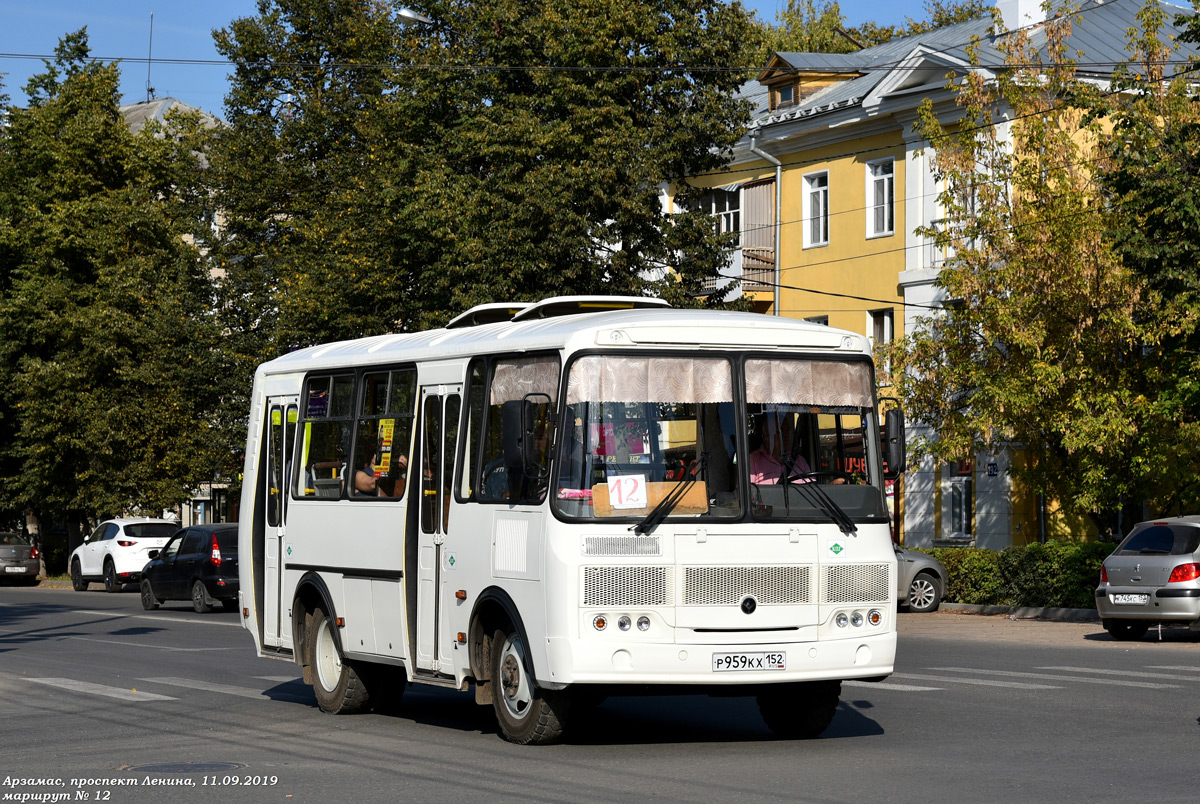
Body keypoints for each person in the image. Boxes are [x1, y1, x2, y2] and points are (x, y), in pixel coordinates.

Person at [749, 411, 811, 484]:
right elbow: (748, 493)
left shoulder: (799, 461)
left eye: (787, 431)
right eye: (780, 431)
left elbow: (812, 489)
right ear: (767, 434)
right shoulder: (753, 460)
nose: (785, 435)